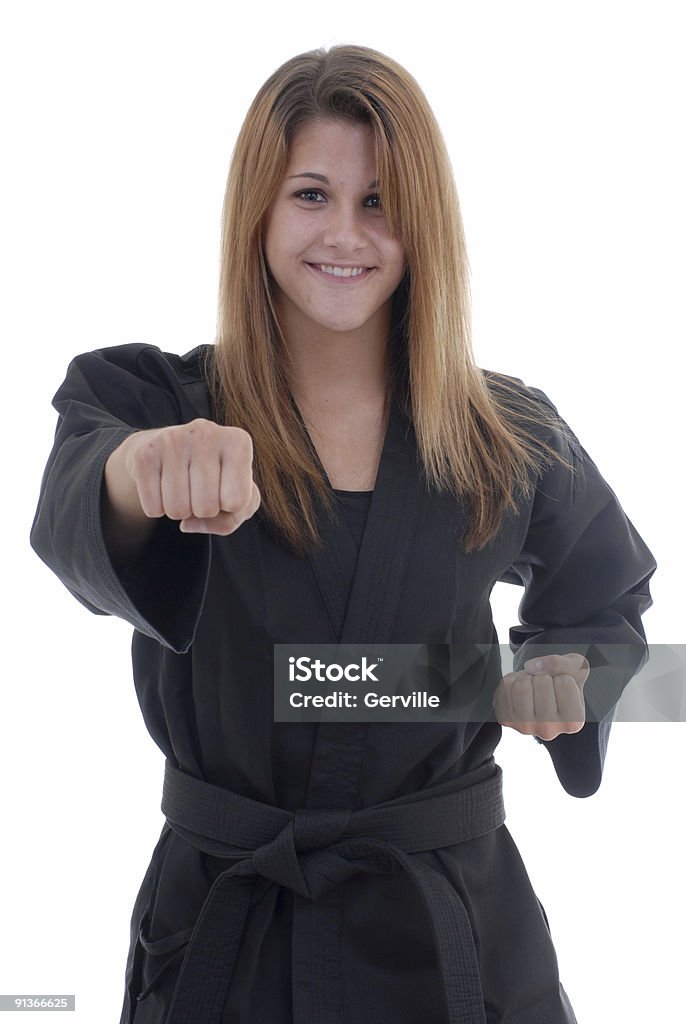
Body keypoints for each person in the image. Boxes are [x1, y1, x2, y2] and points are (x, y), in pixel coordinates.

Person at [30, 43, 656, 1024]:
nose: (345, 234)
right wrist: (139, 472)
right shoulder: (154, 402)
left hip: (454, 933)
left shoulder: (507, 434)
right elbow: (81, 490)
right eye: (311, 195)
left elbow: (603, 599)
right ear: (259, 212)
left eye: (378, 202)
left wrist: (569, 669)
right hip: (224, 936)